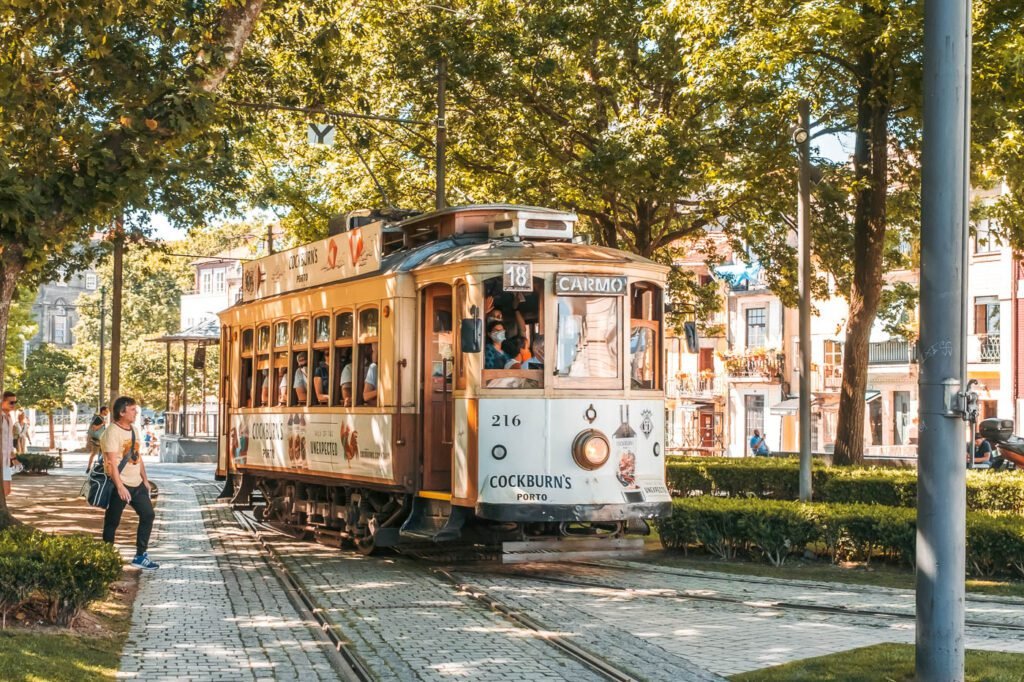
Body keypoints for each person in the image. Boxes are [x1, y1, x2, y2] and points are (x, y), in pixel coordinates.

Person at [101, 396, 158, 570]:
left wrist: (145, 480)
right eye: (132, 409)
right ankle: (106, 557)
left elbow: (137, 456)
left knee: (148, 514)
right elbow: (111, 463)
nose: (136, 412)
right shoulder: (112, 432)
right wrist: (119, 486)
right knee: (112, 521)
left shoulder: (133, 429)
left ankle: (140, 555)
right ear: (122, 412)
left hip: (137, 484)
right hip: (119, 484)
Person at [1, 392, 19, 498]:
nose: (13, 405)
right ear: (2, 402)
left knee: (7, 490)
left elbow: (9, 441)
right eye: (11, 402)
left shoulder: (9, 418)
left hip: (6, 460)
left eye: (15, 402)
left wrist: (14, 458)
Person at [86, 406, 109, 472]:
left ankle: (103, 468)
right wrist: (102, 424)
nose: (107, 413)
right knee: (94, 453)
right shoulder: (98, 418)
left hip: (100, 439)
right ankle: (88, 468)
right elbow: (94, 428)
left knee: (104, 453)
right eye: (106, 411)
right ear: (103, 411)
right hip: (96, 440)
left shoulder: (101, 418)